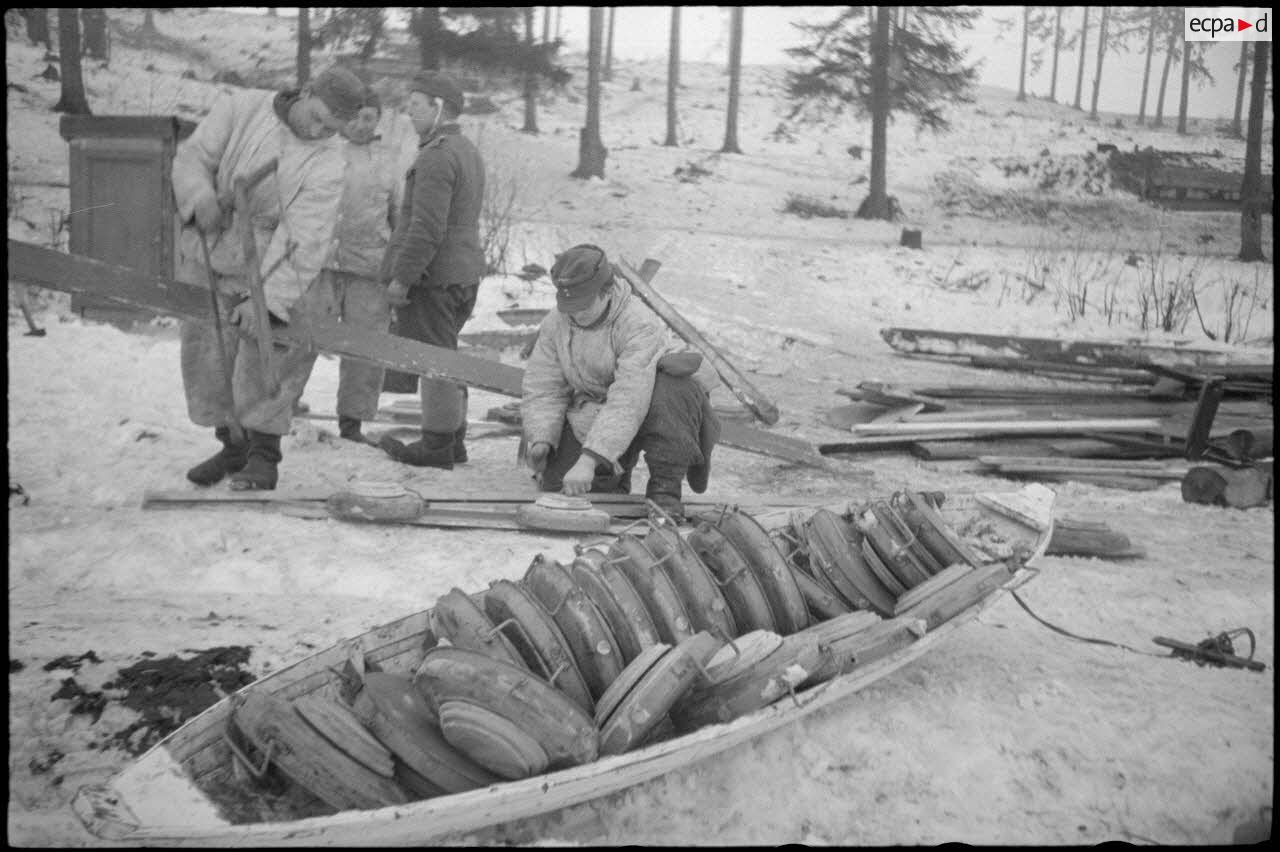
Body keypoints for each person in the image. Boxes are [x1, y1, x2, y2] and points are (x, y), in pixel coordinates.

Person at [175, 65, 364, 490]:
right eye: (317, 118)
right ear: (307, 91)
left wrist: (265, 301)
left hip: (273, 263)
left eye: (330, 129)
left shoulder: (329, 161)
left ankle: (263, 457)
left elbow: (305, 234)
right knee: (210, 356)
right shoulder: (241, 108)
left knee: (268, 356)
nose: (318, 132)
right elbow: (194, 158)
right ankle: (232, 448)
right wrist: (200, 197)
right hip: (214, 249)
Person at [520, 244, 721, 519]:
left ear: (606, 293)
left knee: (673, 389)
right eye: (570, 307)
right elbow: (544, 386)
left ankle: (665, 491)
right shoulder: (556, 322)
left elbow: (629, 399)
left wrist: (590, 459)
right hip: (597, 408)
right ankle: (613, 475)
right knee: (562, 488)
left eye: (583, 306)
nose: (575, 314)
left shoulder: (639, 322)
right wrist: (542, 437)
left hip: (649, 403)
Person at [377, 71, 486, 470]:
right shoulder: (465, 149)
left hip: (435, 277)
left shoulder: (437, 155)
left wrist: (402, 277)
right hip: (462, 272)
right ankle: (453, 441)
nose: (410, 114)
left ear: (439, 107)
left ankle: (437, 446)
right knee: (447, 353)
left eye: (417, 105)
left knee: (433, 360)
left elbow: (426, 228)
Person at [319, 85, 405, 444]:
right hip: (320, 265)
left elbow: (400, 216)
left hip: (369, 269)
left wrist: (398, 270)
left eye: (368, 118)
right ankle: (279, 412)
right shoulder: (322, 150)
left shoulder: (390, 161)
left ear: (378, 119)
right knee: (300, 339)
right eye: (353, 117)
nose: (360, 124)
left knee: (365, 350)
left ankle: (352, 422)